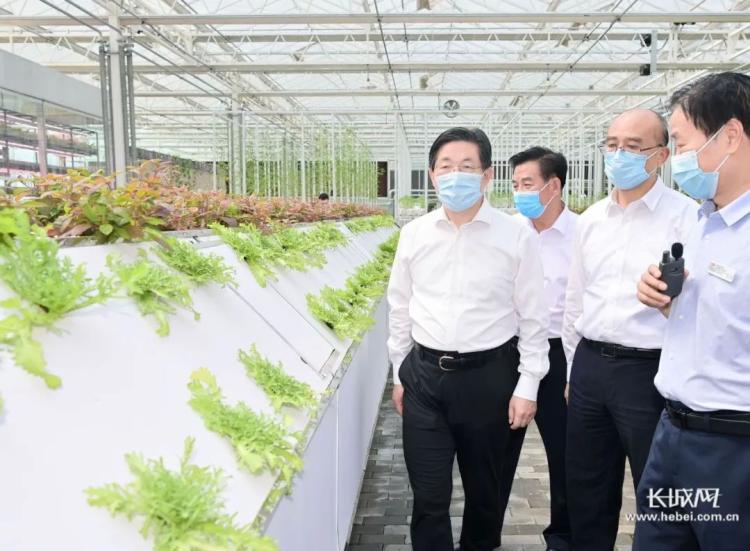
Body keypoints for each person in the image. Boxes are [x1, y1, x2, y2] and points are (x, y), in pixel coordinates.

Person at [387, 127, 550, 551]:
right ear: (432, 174)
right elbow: (399, 306)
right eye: (446, 167)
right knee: (429, 495)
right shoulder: (415, 233)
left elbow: (534, 316)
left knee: (485, 495)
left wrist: (528, 385)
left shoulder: (515, 235)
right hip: (425, 377)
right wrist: (399, 373)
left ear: (486, 175)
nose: (455, 175)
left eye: (466, 166)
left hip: (489, 378)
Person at [561, 109, 697, 551]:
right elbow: (576, 299)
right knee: (586, 485)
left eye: (634, 147)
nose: (619, 154)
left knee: (656, 489)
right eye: (612, 144)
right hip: (590, 366)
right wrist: (572, 370)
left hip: (649, 372)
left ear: (661, 155)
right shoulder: (591, 219)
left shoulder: (687, 218)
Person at [634, 72, 750, 550]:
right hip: (672, 435)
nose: (677, 158)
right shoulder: (702, 220)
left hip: (733, 448)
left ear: (731, 135)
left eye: (681, 143)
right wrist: (666, 301)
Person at [497, 146, 574, 551]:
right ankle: (483, 536)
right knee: (495, 452)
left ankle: (562, 538)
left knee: (566, 455)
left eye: (527, 184)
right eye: (515, 184)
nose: (519, 193)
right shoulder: (507, 232)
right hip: (510, 353)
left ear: (553, 185)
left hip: (561, 353)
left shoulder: (584, 234)